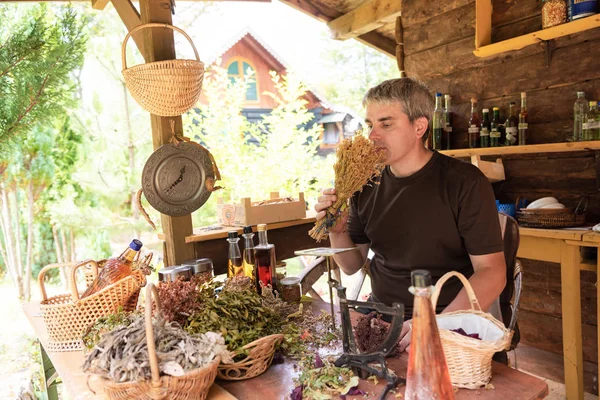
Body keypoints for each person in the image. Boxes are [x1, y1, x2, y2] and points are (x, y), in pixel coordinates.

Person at [314, 78, 506, 352]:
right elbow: (350, 265)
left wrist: (434, 325)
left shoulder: (465, 183)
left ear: (419, 126)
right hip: (382, 323)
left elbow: (492, 273)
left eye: (386, 124)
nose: (372, 136)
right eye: (370, 125)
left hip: (450, 323)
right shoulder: (366, 184)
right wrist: (337, 230)